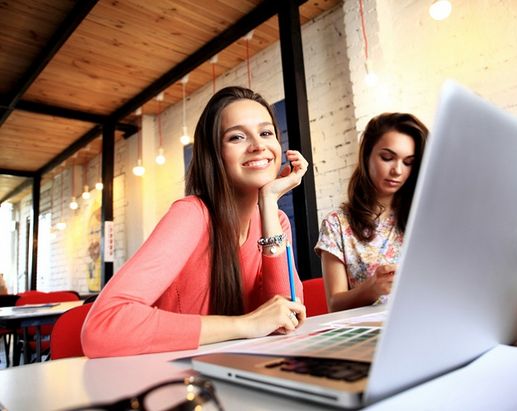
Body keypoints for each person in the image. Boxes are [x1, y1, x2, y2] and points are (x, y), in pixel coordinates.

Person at [82, 86, 308, 357]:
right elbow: (102, 326)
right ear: (215, 154)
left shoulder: (276, 221)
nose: (258, 145)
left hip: (241, 372)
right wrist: (245, 324)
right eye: (237, 137)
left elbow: (287, 318)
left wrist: (269, 203)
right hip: (174, 379)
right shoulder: (192, 215)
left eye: (266, 132)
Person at [315, 113, 428, 312]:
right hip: (368, 335)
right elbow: (334, 304)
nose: (398, 171)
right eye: (387, 158)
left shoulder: (422, 217)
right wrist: (372, 288)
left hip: (424, 322)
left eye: (408, 162)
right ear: (366, 155)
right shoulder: (337, 224)